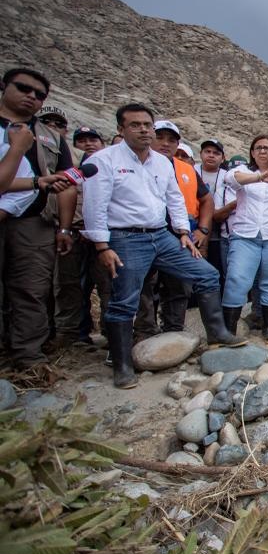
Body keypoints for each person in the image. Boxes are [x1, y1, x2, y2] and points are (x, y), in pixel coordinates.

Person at [82, 103, 244, 388]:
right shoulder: (105, 160)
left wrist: (183, 231)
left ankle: (217, 332)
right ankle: (122, 365)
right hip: (125, 237)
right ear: (121, 128)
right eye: (135, 125)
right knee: (125, 299)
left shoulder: (161, 162)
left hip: (162, 235)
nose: (143, 130)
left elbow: (174, 199)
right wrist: (101, 245)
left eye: (147, 124)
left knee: (206, 274)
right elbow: (95, 205)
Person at [0, 67, 77, 369]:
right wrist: (18, 148)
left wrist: (65, 228)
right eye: (24, 88)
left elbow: (67, 182)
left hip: (34, 222)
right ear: (5, 86)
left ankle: (29, 358)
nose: (31, 97)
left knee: (32, 289)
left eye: (39, 94)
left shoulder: (51, 138)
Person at [134, 120, 214, 337]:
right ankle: (145, 334)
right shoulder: (133, 164)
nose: (165, 144)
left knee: (179, 285)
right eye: (160, 137)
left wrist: (203, 230)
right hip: (141, 235)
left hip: (180, 236)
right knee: (143, 286)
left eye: (171, 140)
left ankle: (174, 332)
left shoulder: (185, 169)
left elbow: (206, 199)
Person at [221, 135, 268, 344]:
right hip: (245, 235)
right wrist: (259, 178)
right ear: (252, 152)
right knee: (237, 279)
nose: (263, 151)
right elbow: (230, 180)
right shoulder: (243, 172)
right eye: (258, 148)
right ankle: (229, 331)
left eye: (267, 148)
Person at [53, 127, 108, 347]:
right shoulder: (73, 170)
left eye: (93, 139)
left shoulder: (110, 167)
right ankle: (73, 334)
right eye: (82, 140)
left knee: (108, 287)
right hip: (74, 233)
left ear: (102, 143)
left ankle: (111, 333)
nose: (88, 144)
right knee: (70, 285)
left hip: (103, 236)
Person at [195, 138, 228, 285]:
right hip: (194, 227)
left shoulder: (227, 176)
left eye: (216, 153)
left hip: (218, 230)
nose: (211, 155)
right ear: (200, 154)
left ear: (223, 158)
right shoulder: (192, 170)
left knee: (216, 266)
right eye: (207, 151)